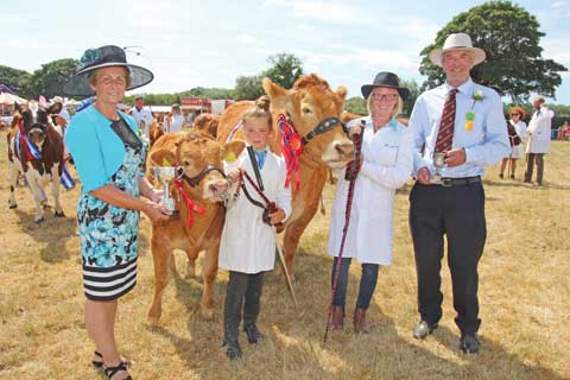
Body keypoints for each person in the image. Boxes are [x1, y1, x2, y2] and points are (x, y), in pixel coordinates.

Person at [63, 45, 169, 380]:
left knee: (113, 291)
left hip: (125, 222)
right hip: (101, 223)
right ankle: (112, 363)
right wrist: (146, 207)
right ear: (93, 84)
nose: (113, 84)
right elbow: (96, 185)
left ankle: (101, 350)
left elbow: (132, 172)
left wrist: (151, 191)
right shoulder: (83, 124)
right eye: (105, 78)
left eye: (119, 78)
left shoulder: (127, 120)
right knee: (99, 294)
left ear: (127, 84)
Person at [408, 33, 510, 353]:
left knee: (464, 264)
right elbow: (411, 143)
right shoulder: (426, 99)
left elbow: (500, 145)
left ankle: (468, 327)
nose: (455, 62)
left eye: (462, 56)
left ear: (471, 61)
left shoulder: (488, 98)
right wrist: (420, 166)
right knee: (426, 261)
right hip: (426, 193)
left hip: (466, 193)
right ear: (443, 63)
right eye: (449, 57)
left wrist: (468, 155)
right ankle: (428, 315)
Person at [327, 72, 413, 334]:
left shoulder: (403, 134)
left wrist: (365, 166)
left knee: (370, 263)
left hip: (377, 208)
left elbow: (399, 178)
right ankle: (337, 309)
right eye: (378, 95)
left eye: (389, 96)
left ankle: (361, 312)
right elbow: (331, 163)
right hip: (347, 202)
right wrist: (345, 150)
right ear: (370, 99)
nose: (383, 100)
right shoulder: (353, 126)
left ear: (397, 100)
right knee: (341, 259)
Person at [218, 96, 291, 360]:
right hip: (239, 229)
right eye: (251, 131)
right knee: (237, 286)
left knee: (256, 287)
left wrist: (283, 212)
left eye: (262, 131)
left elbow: (285, 197)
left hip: (262, 233)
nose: (257, 135)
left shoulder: (280, 163)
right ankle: (229, 337)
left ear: (271, 133)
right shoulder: (234, 159)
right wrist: (229, 177)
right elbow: (222, 183)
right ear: (243, 132)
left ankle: (250, 325)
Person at [524, 96, 554, 186]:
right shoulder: (536, 113)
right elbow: (531, 124)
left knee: (538, 161)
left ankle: (538, 180)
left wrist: (543, 107)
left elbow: (548, 116)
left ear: (540, 103)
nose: (533, 104)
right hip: (532, 138)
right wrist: (528, 130)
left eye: (535, 102)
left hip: (540, 140)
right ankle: (527, 179)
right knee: (529, 159)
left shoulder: (547, 112)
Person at [499, 106, 527, 179]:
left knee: (514, 160)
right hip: (507, 143)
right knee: (505, 158)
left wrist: (518, 137)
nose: (514, 116)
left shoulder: (522, 124)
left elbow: (524, 134)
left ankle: (512, 174)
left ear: (520, 115)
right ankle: (501, 173)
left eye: (516, 114)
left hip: (516, 143)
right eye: (513, 114)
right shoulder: (507, 123)